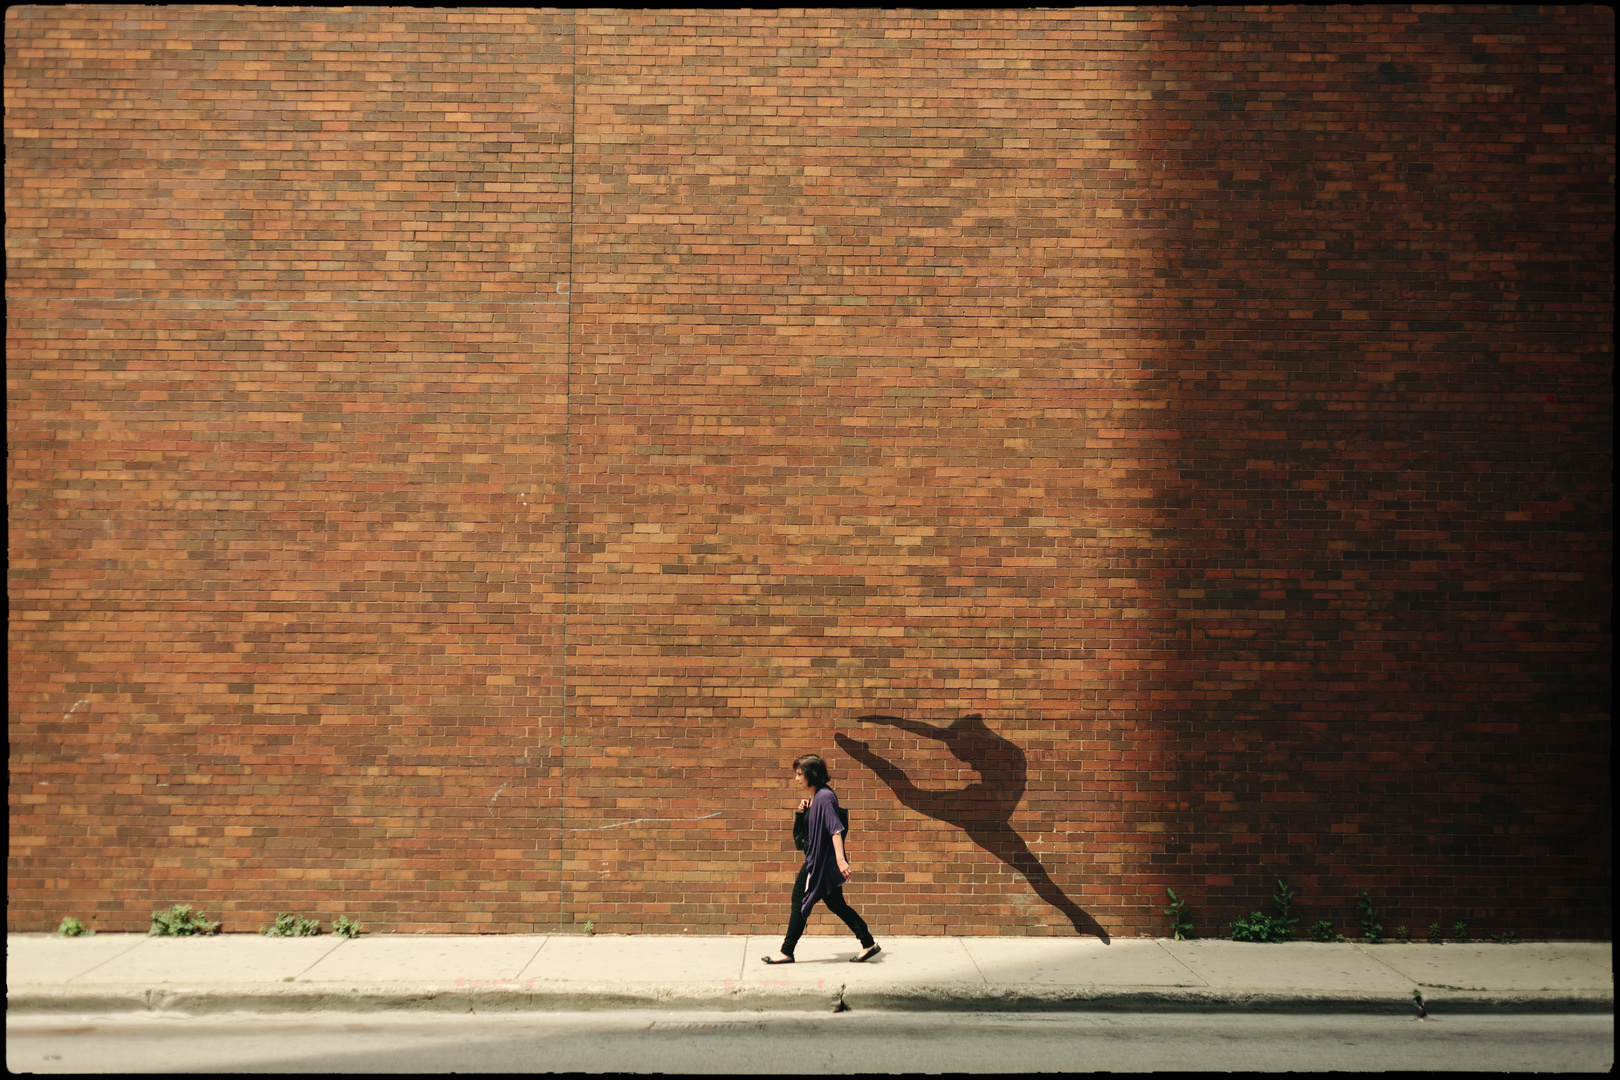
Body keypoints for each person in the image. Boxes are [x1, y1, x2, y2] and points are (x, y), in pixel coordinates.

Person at [761, 753, 880, 964]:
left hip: (819, 863)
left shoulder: (824, 797)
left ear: (811, 774)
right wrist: (802, 813)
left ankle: (787, 951)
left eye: (800, 774)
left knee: (799, 901)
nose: (797, 779)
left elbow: (835, 829)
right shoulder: (817, 796)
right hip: (822, 861)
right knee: (837, 905)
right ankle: (868, 942)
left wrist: (841, 861)